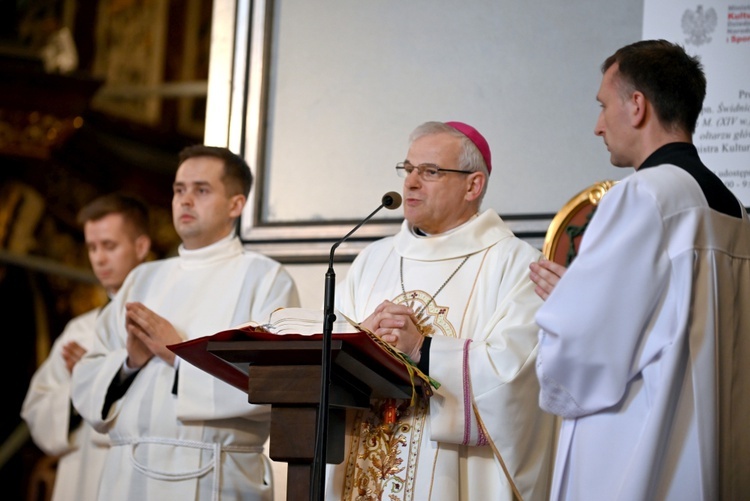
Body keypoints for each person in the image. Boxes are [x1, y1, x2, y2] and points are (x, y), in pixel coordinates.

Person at [529, 39, 750, 500]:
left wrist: (570, 307)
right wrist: (584, 298)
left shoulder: (643, 195)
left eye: (603, 105)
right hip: (719, 451)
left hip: (638, 453)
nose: (597, 125)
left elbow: (585, 362)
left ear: (637, 106)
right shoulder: (735, 212)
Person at [325, 121, 557, 500]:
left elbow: (518, 379)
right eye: (408, 169)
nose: (411, 183)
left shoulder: (515, 265)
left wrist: (424, 351)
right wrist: (358, 342)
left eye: (430, 172)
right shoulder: (373, 259)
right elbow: (329, 365)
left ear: (473, 185)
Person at [71, 145, 300, 501]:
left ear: (235, 205)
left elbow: (275, 381)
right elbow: (89, 375)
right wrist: (130, 363)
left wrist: (177, 354)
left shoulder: (266, 279)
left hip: (214, 475)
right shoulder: (141, 279)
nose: (185, 201)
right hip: (126, 474)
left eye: (201, 190)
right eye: (179, 190)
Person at [21, 192, 152, 501]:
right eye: (92, 247)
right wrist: (81, 385)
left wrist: (99, 375)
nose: (98, 258)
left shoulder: (163, 324)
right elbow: (37, 410)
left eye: (109, 246)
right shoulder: (79, 330)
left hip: (140, 471)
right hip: (81, 475)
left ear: (141, 246)